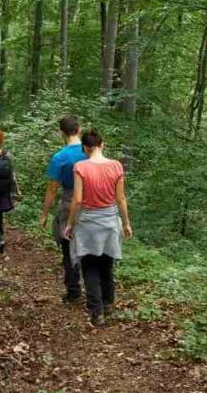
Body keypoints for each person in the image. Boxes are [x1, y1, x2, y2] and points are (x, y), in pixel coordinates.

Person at [64, 130, 132, 327]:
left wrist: (70, 223)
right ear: (102, 144)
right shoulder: (116, 166)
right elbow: (120, 198)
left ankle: (96, 312)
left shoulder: (80, 167)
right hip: (110, 221)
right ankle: (108, 303)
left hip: (88, 223)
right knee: (106, 262)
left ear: (85, 148)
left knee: (90, 266)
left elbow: (77, 200)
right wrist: (126, 223)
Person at [39, 115, 88, 303]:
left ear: (62, 132)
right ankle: (95, 290)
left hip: (69, 202)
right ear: (79, 129)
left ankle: (74, 291)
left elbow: (52, 188)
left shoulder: (60, 157)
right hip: (93, 204)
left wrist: (44, 213)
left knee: (69, 247)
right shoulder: (90, 151)